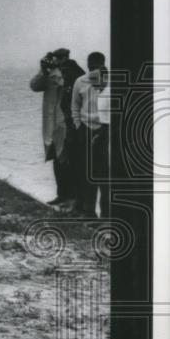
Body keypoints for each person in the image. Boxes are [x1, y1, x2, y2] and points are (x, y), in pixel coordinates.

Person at [29, 48, 85, 207]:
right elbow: (34, 86)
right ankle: (62, 194)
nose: (57, 60)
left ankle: (73, 197)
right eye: (55, 58)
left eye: (60, 57)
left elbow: (66, 82)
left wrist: (53, 70)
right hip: (52, 123)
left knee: (69, 160)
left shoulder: (74, 71)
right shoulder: (49, 73)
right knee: (57, 158)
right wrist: (43, 70)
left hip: (67, 122)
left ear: (67, 57)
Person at [71, 52, 109, 218]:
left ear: (102, 63)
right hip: (86, 129)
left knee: (105, 174)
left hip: (105, 130)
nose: (92, 66)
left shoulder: (109, 81)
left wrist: (106, 129)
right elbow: (75, 106)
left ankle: (107, 213)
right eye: (90, 63)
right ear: (87, 64)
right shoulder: (80, 81)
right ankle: (89, 210)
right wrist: (79, 126)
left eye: (96, 64)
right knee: (86, 172)